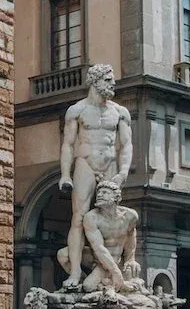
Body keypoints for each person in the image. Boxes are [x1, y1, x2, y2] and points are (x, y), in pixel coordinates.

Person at [57, 64, 133, 288]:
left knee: (112, 215)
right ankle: (75, 272)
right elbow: (68, 145)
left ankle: (123, 265)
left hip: (109, 164)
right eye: (108, 80)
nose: (113, 84)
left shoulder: (120, 112)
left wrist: (123, 172)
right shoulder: (77, 110)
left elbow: (127, 145)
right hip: (85, 164)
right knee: (79, 218)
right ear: (95, 81)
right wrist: (64, 174)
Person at [81, 181, 140, 293]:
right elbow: (99, 248)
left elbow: (131, 235)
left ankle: (107, 283)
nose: (99, 195)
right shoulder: (91, 218)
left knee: (89, 286)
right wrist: (115, 272)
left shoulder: (130, 216)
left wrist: (130, 258)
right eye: (98, 192)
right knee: (63, 255)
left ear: (116, 197)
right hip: (100, 260)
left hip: (116, 259)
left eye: (105, 192)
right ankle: (88, 279)